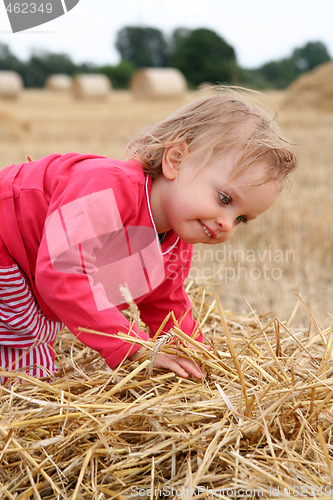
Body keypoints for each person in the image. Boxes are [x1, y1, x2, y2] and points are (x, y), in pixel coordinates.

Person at [0, 87, 297, 382]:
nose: (227, 224)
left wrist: (197, 358)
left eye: (241, 219)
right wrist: (134, 347)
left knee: (36, 354)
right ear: (176, 160)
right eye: (224, 199)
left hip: (28, 272)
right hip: (6, 245)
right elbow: (61, 270)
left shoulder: (176, 244)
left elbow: (166, 304)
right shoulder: (108, 189)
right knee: (28, 356)